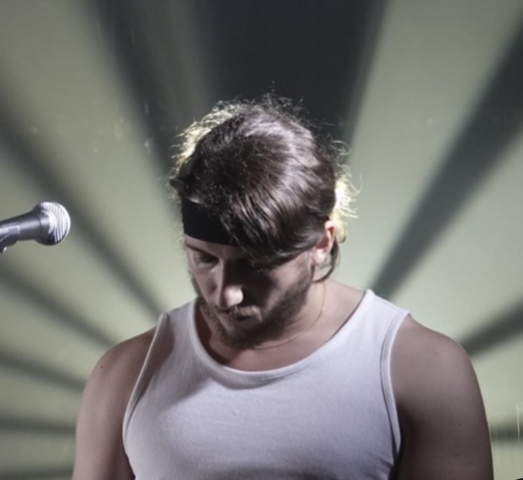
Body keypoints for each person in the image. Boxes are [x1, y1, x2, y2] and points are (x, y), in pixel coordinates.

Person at [72, 96, 493, 479]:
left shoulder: (423, 371)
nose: (225, 294)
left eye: (254, 265)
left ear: (322, 243)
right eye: (205, 259)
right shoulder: (126, 376)